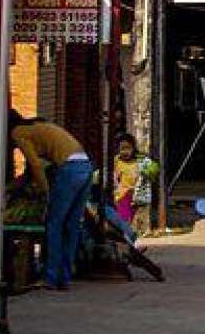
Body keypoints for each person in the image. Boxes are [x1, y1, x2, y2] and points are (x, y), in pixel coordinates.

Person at [10, 112, 93, 290]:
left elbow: (36, 165)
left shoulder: (17, 132)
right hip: (85, 165)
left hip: (69, 169)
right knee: (71, 225)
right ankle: (65, 277)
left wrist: (46, 192)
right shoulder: (37, 127)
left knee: (54, 224)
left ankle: (50, 277)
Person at [110, 133, 142, 230]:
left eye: (128, 148)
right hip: (122, 195)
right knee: (124, 220)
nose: (125, 152)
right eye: (122, 149)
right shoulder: (116, 161)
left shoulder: (138, 162)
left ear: (133, 148)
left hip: (136, 196)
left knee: (133, 221)